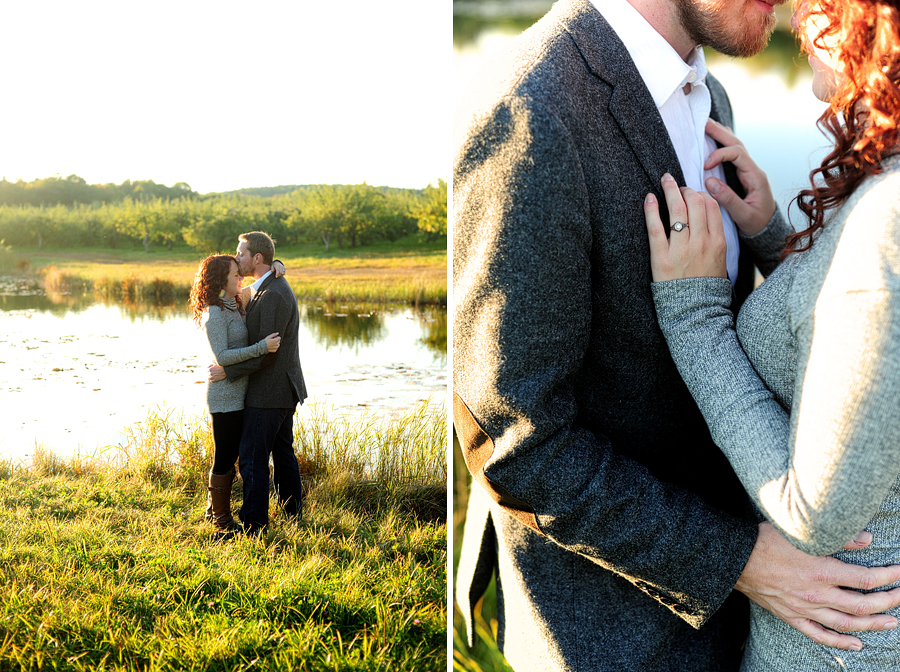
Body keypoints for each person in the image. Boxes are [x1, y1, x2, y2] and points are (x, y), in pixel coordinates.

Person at [452, 0, 900, 669]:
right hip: (620, 636)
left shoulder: (705, 94)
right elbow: (516, 441)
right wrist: (738, 558)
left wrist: (768, 239)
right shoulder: (528, 111)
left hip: (756, 625)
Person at [644, 0, 900, 668]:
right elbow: (860, 338)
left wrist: (695, 315)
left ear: (865, 25)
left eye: (819, 3)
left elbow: (813, 509)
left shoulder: (889, 223)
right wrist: (771, 238)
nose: (791, 9)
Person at [208, 231, 307, 536]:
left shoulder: (274, 294)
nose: (237, 258)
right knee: (283, 452)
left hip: (270, 390)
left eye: (241, 253)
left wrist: (229, 371)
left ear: (257, 257)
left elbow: (269, 352)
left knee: (252, 458)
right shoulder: (264, 287)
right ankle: (293, 514)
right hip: (277, 389)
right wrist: (279, 263)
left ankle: (254, 526)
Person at [188, 254, 281, 535]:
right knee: (225, 457)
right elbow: (224, 356)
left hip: (240, 393)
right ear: (221, 280)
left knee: (230, 456)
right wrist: (261, 348)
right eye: (235, 275)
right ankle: (221, 522)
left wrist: (278, 266)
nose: (241, 279)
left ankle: (212, 509)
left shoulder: (236, 301)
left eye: (240, 275)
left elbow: (262, 281)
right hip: (224, 397)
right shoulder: (213, 314)